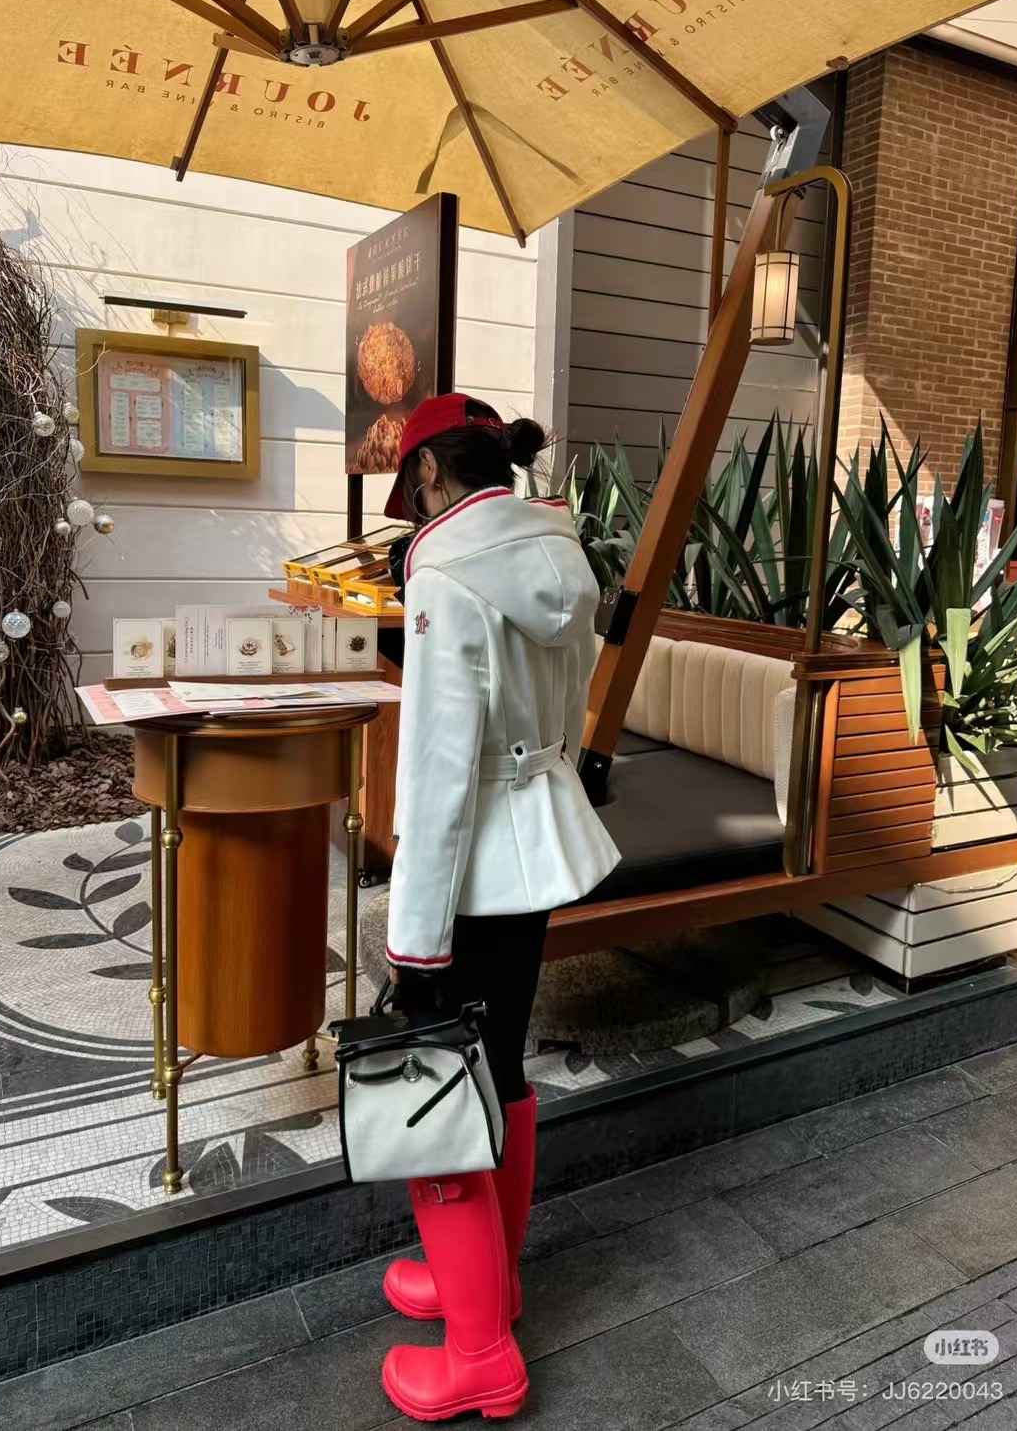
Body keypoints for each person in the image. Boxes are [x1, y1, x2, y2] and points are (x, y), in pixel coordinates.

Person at [378, 393, 620, 1422]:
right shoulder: (556, 553)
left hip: (474, 869)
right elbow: (564, 711)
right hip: (540, 846)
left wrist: (414, 941)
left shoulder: (444, 572)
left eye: (408, 485)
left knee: (438, 1089)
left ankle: (479, 1350)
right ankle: (488, 1285)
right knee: (500, 1067)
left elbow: (438, 774)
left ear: (429, 472)